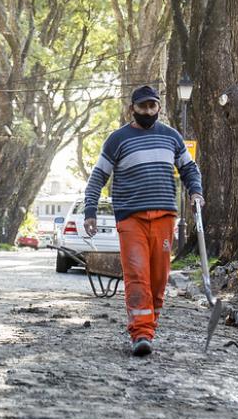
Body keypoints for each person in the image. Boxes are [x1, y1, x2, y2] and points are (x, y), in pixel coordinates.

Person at [83, 85, 203, 357]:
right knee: (138, 275)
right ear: (132, 109)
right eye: (143, 107)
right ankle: (141, 333)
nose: (149, 111)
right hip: (131, 218)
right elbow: (98, 177)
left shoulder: (171, 137)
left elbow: (188, 168)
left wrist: (196, 192)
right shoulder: (118, 140)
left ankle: (150, 327)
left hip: (164, 217)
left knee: (159, 279)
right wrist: (90, 210)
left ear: (159, 108)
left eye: (153, 106)